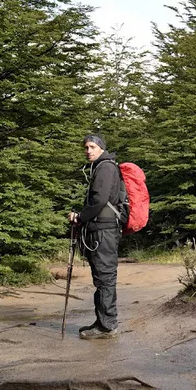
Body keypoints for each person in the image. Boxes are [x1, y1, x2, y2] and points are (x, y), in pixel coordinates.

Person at [67, 134, 122, 340]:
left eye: (92, 147)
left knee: (105, 277)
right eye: (86, 147)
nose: (88, 151)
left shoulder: (106, 167)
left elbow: (99, 200)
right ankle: (102, 321)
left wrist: (80, 217)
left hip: (104, 231)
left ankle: (107, 326)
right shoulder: (101, 167)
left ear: (101, 148)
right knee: (102, 277)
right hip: (102, 230)